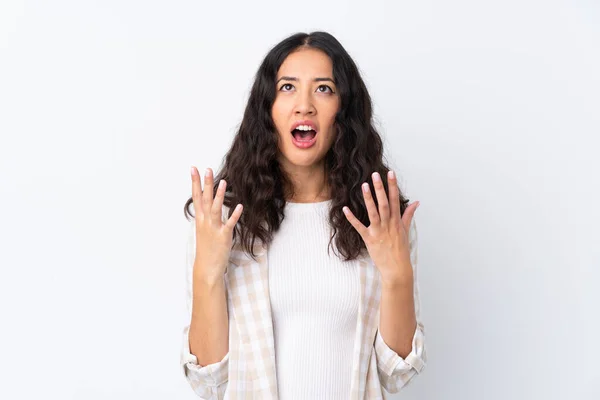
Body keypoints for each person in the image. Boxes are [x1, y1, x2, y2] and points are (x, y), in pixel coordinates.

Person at [181, 31, 426, 400]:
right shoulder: (226, 220)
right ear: (267, 108)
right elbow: (209, 379)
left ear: (344, 110)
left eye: (324, 89)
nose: (305, 106)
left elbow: (397, 373)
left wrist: (397, 275)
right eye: (287, 88)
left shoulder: (380, 219)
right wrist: (208, 273)